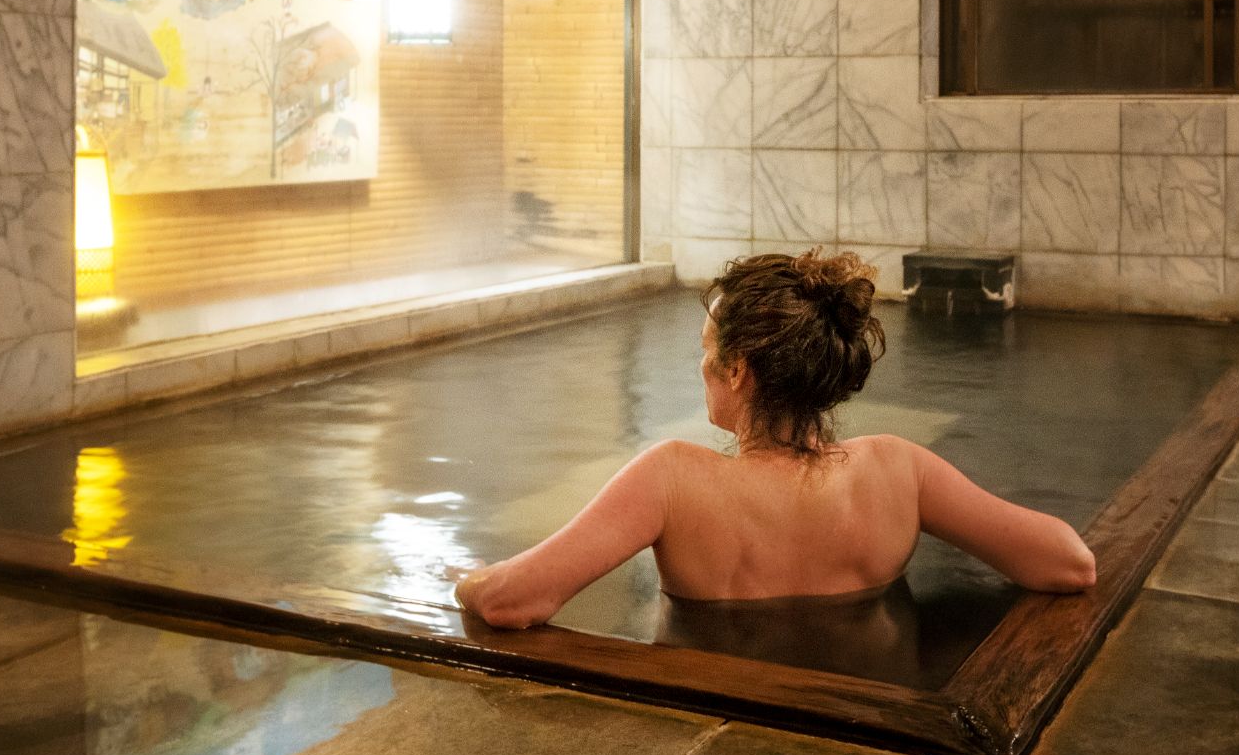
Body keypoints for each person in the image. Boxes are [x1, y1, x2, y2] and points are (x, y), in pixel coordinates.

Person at [453, 250, 1097, 630]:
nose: (701, 365)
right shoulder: (899, 471)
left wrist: (466, 582)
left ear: (737, 369)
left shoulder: (672, 480)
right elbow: (1068, 563)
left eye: (707, 351)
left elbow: (516, 599)